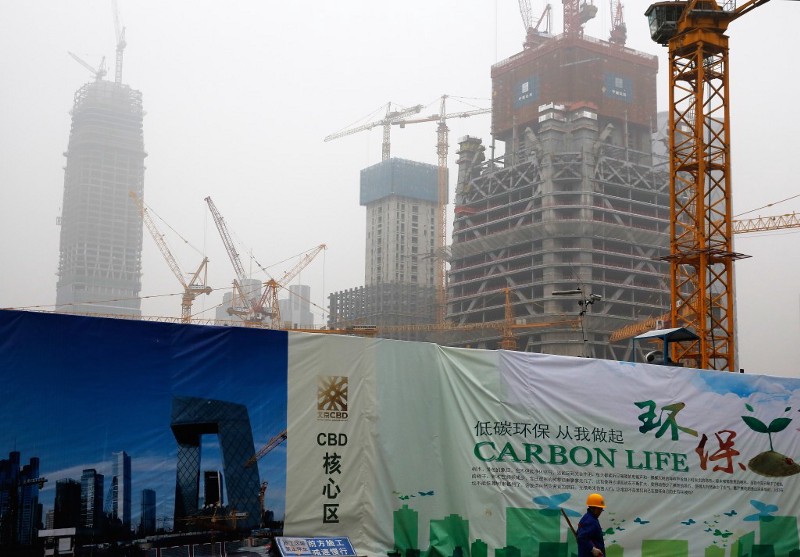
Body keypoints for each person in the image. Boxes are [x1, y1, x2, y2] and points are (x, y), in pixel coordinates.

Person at [576, 493, 606, 557]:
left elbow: (579, 534)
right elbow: (581, 537)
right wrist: (592, 549)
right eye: (600, 509)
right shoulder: (590, 521)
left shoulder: (587, 517)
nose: (601, 512)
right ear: (595, 508)